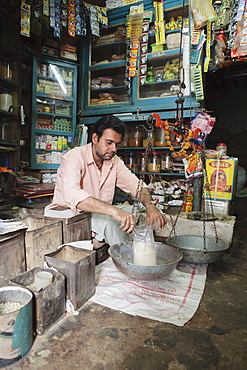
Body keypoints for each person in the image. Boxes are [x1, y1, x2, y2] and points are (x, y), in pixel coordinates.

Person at [45, 115, 167, 246]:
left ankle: (141, 249)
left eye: (117, 144)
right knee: (111, 223)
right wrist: (115, 211)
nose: (114, 149)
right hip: (71, 215)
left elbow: (137, 186)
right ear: (95, 138)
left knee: (136, 213)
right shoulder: (73, 157)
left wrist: (150, 205)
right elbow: (73, 195)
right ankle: (125, 259)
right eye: (109, 143)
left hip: (98, 211)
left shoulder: (114, 161)